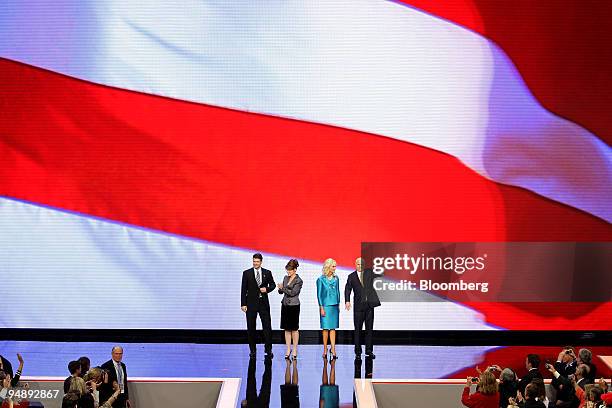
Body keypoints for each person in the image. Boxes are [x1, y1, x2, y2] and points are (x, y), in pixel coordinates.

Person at [241, 253, 276, 359]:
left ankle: (268, 349)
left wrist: (267, 289)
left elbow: (273, 284)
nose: (255, 263)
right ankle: (252, 350)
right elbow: (243, 289)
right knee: (251, 327)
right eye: (254, 261)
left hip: (263, 304)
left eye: (257, 261)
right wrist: (243, 304)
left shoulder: (267, 272)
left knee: (267, 327)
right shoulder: (246, 273)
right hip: (251, 304)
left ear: (261, 262)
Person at [345, 257, 381, 360]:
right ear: (355, 265)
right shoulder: (351, 276)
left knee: (369, 329)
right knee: (358, 330)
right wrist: (347, 301)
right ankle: (357, 352)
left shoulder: (369, 273)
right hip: (358, 308)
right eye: (358, 264)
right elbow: (347, 289)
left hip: (369, 306)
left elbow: (379, 271)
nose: (360, 266)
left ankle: (369, 350)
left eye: (362, 264)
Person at [277, 259, 303, 360]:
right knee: (286, 328)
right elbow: (283, 292)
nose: (288, 272)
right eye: (287, 270)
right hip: (285, 305)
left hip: (294, 306)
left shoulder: (299, 280)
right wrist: (280, 289)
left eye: (290, 270)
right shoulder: (285, 278)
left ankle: (295, 349)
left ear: (295, 270)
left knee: (294, 329)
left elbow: (293, 293)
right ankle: (288, 349)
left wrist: (283, 288)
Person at [317, 258, 340, 360]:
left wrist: (338, 304)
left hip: (334, 306)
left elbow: (338, 292)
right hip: (325, 306)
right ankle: (325, 349)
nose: (335, 268)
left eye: (335, 266)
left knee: (333, 328)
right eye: (333, 266)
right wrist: (321, 307)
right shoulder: (321, 279)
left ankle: (333, 349)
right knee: (325, 328)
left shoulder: (336, 278)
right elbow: (319, 295)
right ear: (328, 267)